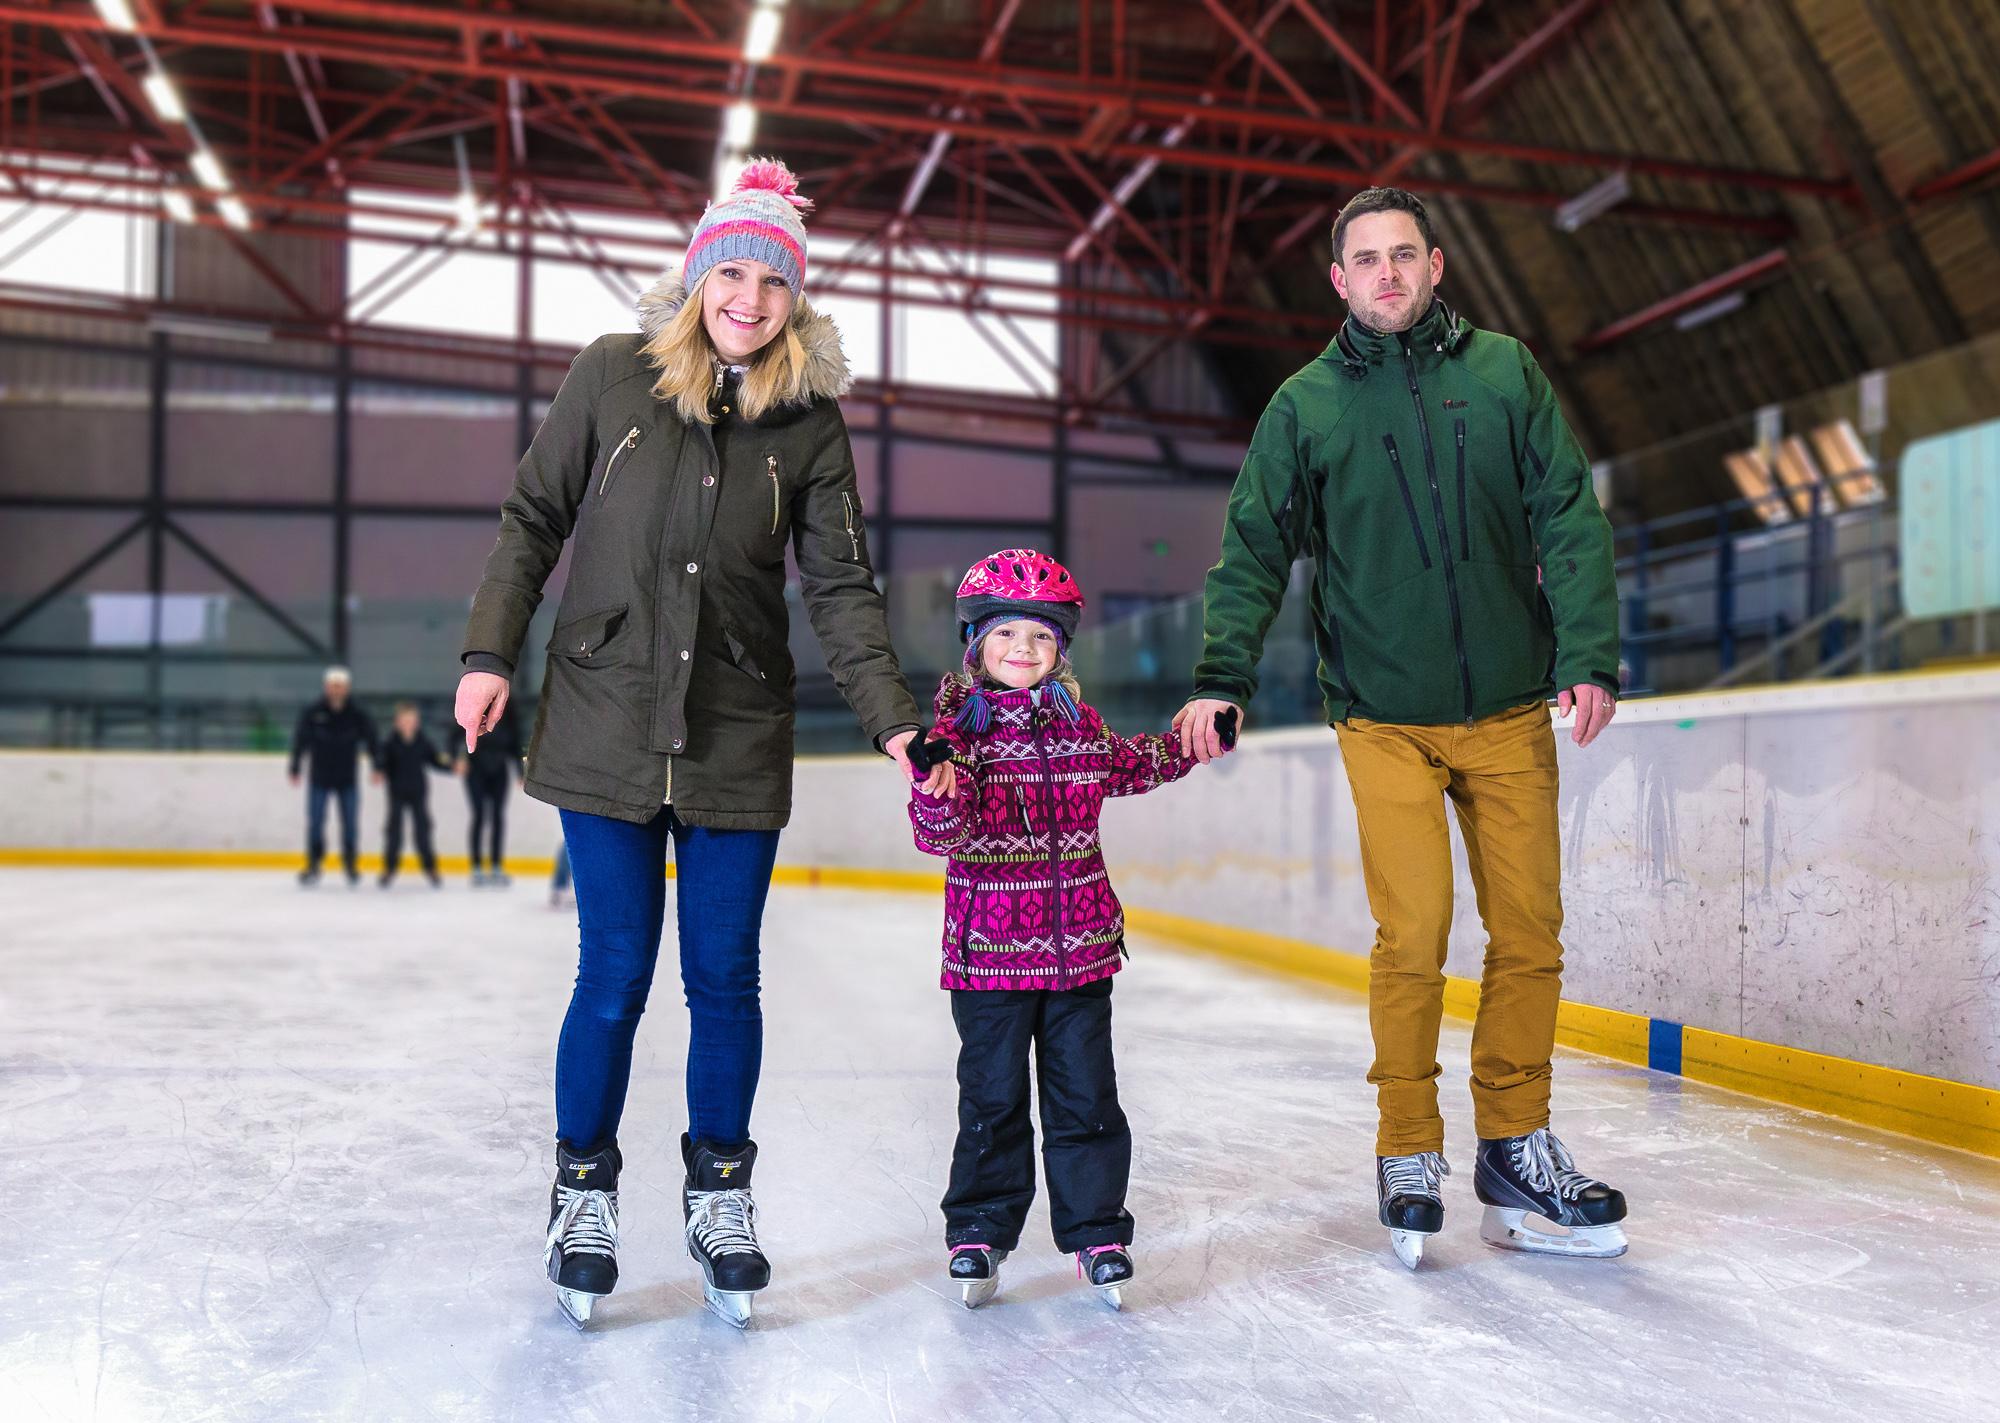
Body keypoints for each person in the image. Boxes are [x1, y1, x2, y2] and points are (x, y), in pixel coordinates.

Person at [451, 158, 949, 1331]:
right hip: (605, 715)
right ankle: (583, 1191)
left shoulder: (809, 421)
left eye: (769, 282)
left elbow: (839, 583)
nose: (747, 297)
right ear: (696, 278)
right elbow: (533, 519)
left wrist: (890, 714)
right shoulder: (609, 380)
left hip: (733, 727)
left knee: (725, 980)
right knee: (614, 972)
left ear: (794, 299)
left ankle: (721, 1192)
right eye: (729, 272)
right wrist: (487, 654)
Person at [1174, 186, 1629, 1267]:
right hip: (1381, 716)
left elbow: (1567, 511)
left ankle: (1515, 1149)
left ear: (1435, 266)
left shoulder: (1503, 373)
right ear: (1338, 281)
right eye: (1364, 260)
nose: (1385, 274)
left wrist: (1586, 654)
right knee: (1413, 933)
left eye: (1402, 255)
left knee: (1528, 934)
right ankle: (1408, 1147)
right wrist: (1218, 675)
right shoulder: (1307, 405)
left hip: (1513, 705)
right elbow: (1251, 546)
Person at [908, 550, 1219, 1311]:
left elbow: (1135, 762)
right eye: (1006, 632)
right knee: (992, 1099)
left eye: (1041, 637)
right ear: (975, 645)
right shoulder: (956, 738)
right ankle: (980, 1228)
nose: (1023, 648)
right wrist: (932, 779)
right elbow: (935, 831)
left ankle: (1096, 1231)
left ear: (1061, 651)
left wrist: (1197, 737)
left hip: (1081, 955)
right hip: (987, 963)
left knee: (1086, 1098)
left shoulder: (1081, 728)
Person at [288, 665, 377, 887]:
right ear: (326, 687)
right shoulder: (313, 712)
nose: (336, 690)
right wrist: (295, 767)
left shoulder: (357, 713)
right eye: (333, 686)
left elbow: (372, 740)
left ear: (346, 688)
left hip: (347, 778)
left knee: (349, 824)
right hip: (320, 777)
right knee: (316, 823)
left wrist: (378, 766)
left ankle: (350, 865)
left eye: (340, 686)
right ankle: (314, 865)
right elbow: (301, 741)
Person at [376, 700, 455, 889]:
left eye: (412, 720)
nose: (408, 724)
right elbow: (382, 761)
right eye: (404, 720)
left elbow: (434, 761)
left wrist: (452, 767)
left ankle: (430, 868)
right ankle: (389, 869)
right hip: (397, 793)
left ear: (417, 722)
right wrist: (378, 770)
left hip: (418, 792)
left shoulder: (422, 742)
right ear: (397, 722)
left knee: (422, 831)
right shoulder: (390, 742)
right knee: (394, 832)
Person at [451, 707, 521, 885]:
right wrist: (457, 758)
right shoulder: (473, 705)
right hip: (476, 770)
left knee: (498, 816)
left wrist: (520, 771)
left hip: (499, 770)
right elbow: (455, 736)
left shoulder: (507, 709)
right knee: (479, 815)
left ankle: (496, 865)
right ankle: (477, 866)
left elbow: (514, 741)